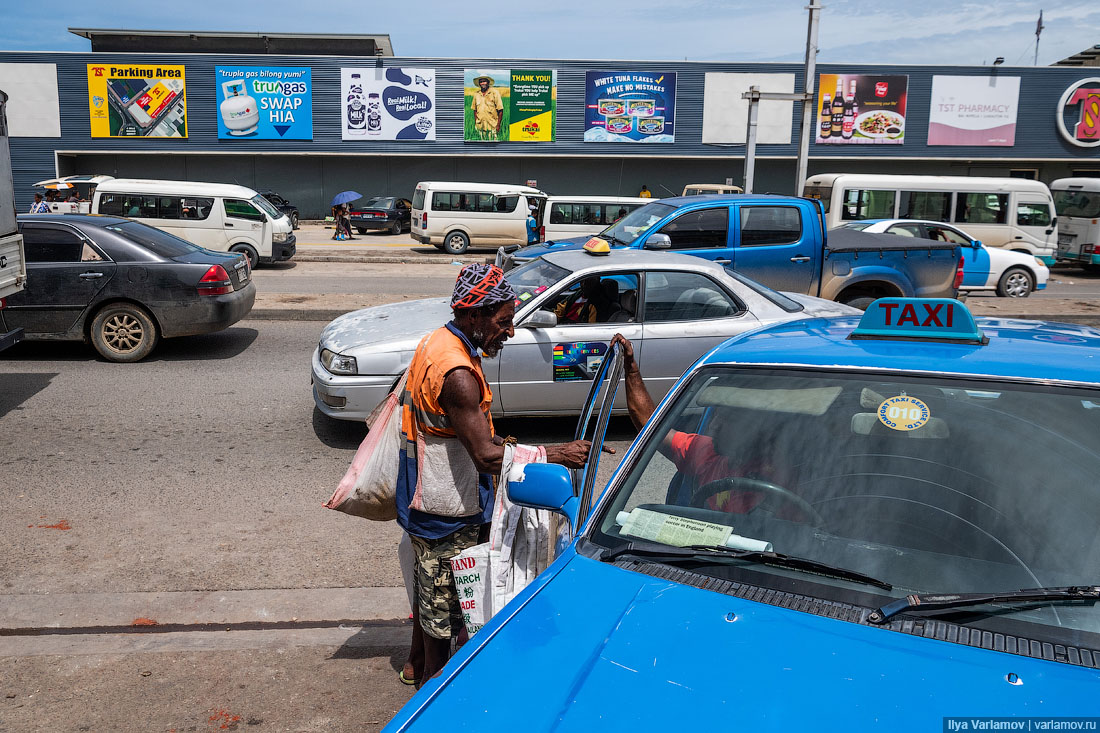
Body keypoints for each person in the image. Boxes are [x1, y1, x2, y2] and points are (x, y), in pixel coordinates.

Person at [397, 263, 593, 686]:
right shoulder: (458, 374)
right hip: (445, 509)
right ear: (474, 316)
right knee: (449, 614)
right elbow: (486, 457)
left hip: (426, 497)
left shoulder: (439, 341)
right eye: (504, 322)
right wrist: (553, 454)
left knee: (430, 594)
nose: (511, 331)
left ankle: (416, 662)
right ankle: (432, 686)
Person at [611, 333, 788, 514]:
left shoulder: (782, 476)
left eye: (728, 420)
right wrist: (632, 369)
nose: (714, 426)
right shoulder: (708, 454)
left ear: (754, 427)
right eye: (716, 415)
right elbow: (651, 426)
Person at [471, 75, 504, 141]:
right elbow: (474, 110)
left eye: (484, 81)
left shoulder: (494, 93)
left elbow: (500, 110)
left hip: (492, 127)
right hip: (480, 127)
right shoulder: (476, 94)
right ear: (479, 84)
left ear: (488, 82)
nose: (483, 83)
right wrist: (476, 123)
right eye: (481, 82)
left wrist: (498, 125)